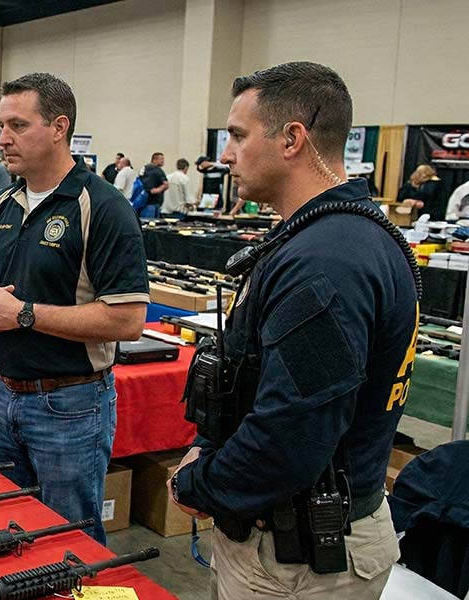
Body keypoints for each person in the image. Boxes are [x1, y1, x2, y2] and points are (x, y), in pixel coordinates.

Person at [168, 61, 416, 599]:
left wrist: (195, 483)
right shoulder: (321, 236)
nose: (226, 155)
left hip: (297, 565)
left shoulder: (326, 259)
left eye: (237, 135)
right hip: (281, 545)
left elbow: (292, 436)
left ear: (292, 139)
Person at [0, 73, 147, 544]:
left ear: (59, 127)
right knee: (5, 533)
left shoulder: (102, 207)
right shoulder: (4, 204)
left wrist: (22, 313)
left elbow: (127, 320)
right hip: (1, 393)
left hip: (70, 404)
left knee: (71, 542)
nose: (2, 139)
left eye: (18, 126)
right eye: (1, 125)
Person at [139, 152, 169, 218]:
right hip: (152, 203)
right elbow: (165, 184)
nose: (163, 161)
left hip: (143, 202)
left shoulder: (145, 169)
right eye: (161, 159)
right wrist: (162, 187)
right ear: (154, 159)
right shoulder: (157, 170)